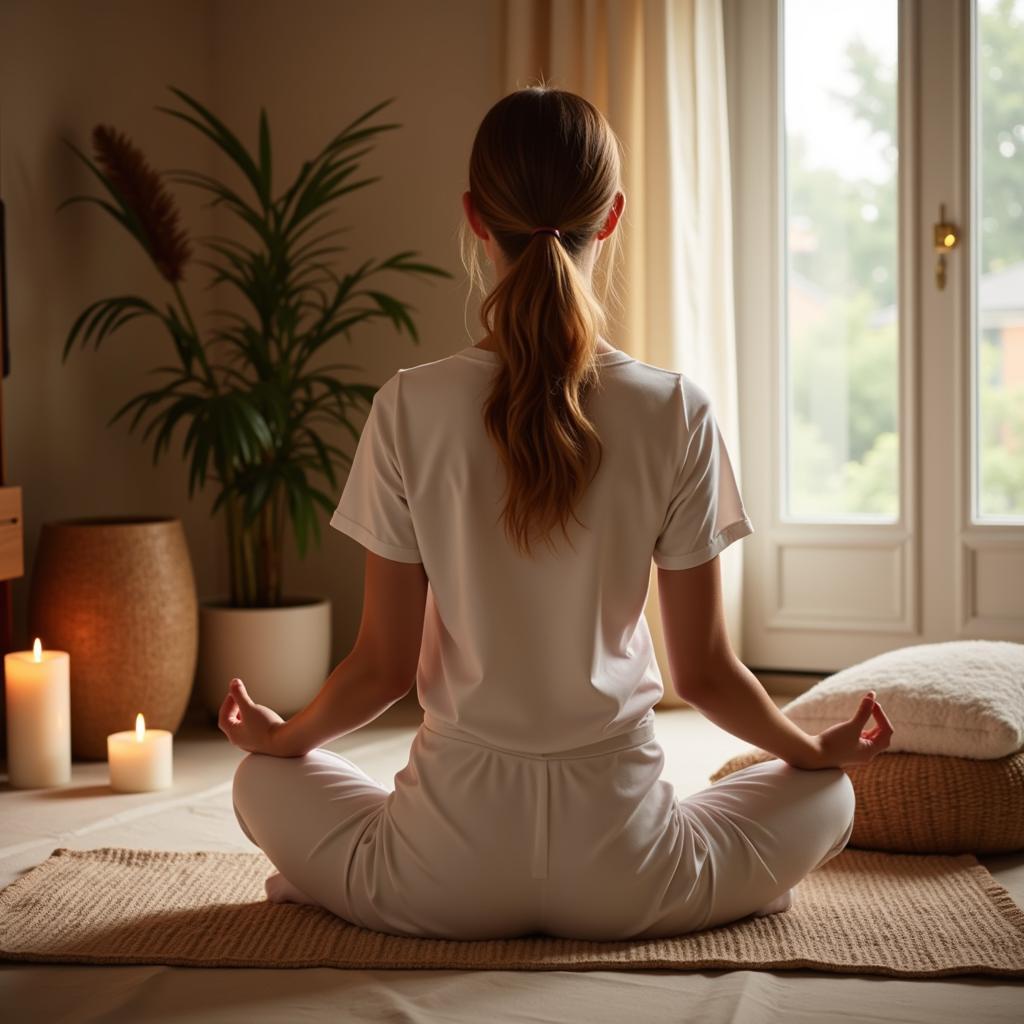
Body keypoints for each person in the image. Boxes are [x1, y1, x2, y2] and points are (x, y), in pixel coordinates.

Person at [224, 85, 894, 941]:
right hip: (629, 876)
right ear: (610, 217)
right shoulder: (675, 409)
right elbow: (705, 675)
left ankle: (345, 886)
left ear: (475, 217)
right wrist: (813, 750)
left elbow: (381, 668)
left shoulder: (408, 406)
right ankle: (730, 890)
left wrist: (284, 742)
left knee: (253, 781)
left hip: (440, 879)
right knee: (827, 795)